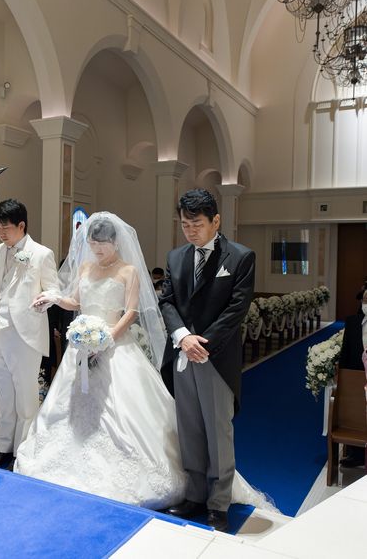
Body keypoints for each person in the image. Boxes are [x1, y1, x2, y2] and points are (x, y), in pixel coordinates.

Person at [18, 213, 269, 521]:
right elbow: (75, 301)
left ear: (115, 242)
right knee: (71, 411)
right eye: (92, 244)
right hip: (82, 350)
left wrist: (107, 338)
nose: (96, 250)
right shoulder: (84, 268)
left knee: (130, 416)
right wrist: (56, 298)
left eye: (101, 244)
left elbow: (132, 311)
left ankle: (211, 495)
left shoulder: (129, 271)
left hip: (115, 347)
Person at [159, 189, 255, 532]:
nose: (190, 231)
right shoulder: (175, 257)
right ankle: (195, 495)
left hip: (216, 357)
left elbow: (237, 308)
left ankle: (218, 503)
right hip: (182, 352)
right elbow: (167, 301)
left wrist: (203, 344)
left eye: (196, 224)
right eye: (184, 225)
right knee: (189, 428)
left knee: (218, 431)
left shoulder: (240, 257)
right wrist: (183, 337)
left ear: (216, 220)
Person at [0, 199, 59, 470]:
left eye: (6, 227)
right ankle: (3, 448)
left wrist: (44, 299)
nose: (1, 233)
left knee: (25, 398)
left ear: (21, 225)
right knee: (4, 396)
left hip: (25, 335)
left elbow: (54, 290)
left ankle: (22, 451)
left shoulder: (41, 254)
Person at [337, 289, 367, 467]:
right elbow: (345, 353)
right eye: (365, 300)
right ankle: (356, 454)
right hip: (355, 377)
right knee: (354, 413)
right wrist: (342, 379)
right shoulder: (353, 322)